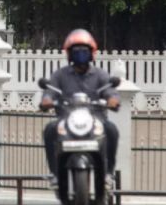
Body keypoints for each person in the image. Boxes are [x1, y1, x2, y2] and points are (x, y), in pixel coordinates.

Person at [39, 29, 120, 189]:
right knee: (50, 129)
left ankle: (108, 174)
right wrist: (47, 101)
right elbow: (50, 92)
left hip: (96, 120)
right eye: (76, 51)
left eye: (84, 51)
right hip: (66, 120)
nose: (80, 55)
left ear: (92, 53)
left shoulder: (100, 75)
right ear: (69, 54)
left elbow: (110, 92)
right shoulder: (60, 75)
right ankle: (55, 173)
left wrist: (112, 100)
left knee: (111, 130)